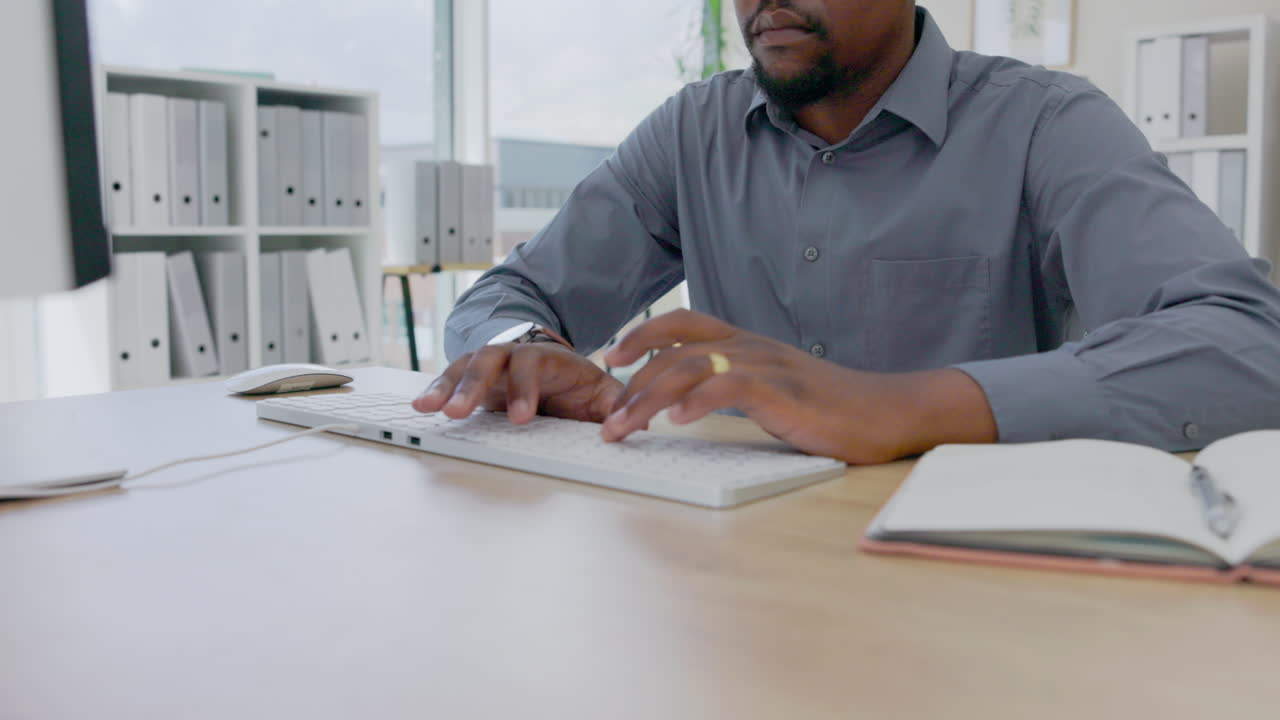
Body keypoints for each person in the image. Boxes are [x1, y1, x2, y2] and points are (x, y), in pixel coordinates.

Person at [413, 0, 1280, 464]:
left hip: (968, 588)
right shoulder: (692, 133)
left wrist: (895, 407)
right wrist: (524, 348)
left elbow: (1248, 348)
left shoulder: (1046, 124)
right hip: (734, 575)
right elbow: (504, 297)